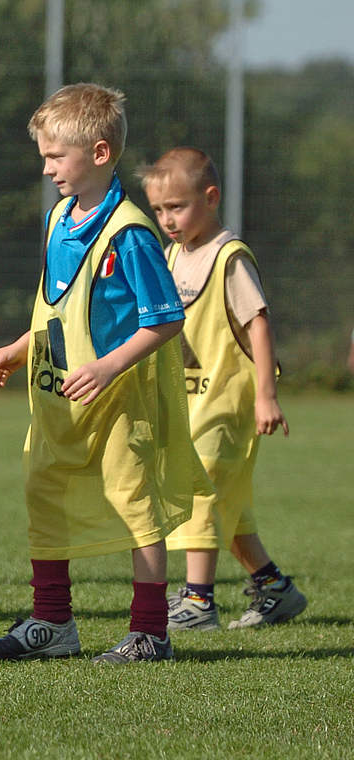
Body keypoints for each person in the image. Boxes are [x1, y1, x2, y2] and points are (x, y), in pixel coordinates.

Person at [0, 84, 209, 663]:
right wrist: (17, 346)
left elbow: (165, 321)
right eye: (45, 157)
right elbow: (60, 309)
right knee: (45, 496)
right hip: (58, 398)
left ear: (100, 154)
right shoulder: (60, 216)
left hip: (117, 402)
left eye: (57, 156)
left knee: (136, 512)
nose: (48, 168)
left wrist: (108, 366)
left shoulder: (129, 231)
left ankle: (151, 633)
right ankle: (52, 623)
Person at [139, 147, 306, 630]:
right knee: (226, 506)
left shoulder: (228, 257)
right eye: (159, 210)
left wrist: (266, 395)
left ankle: (197, 601)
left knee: (200, 493)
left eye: (177, 207)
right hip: (191, 399)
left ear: (210, 198)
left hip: (228, 402)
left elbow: (257, 323)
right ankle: (275, 588)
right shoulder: (173, 255)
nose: (167, 219)